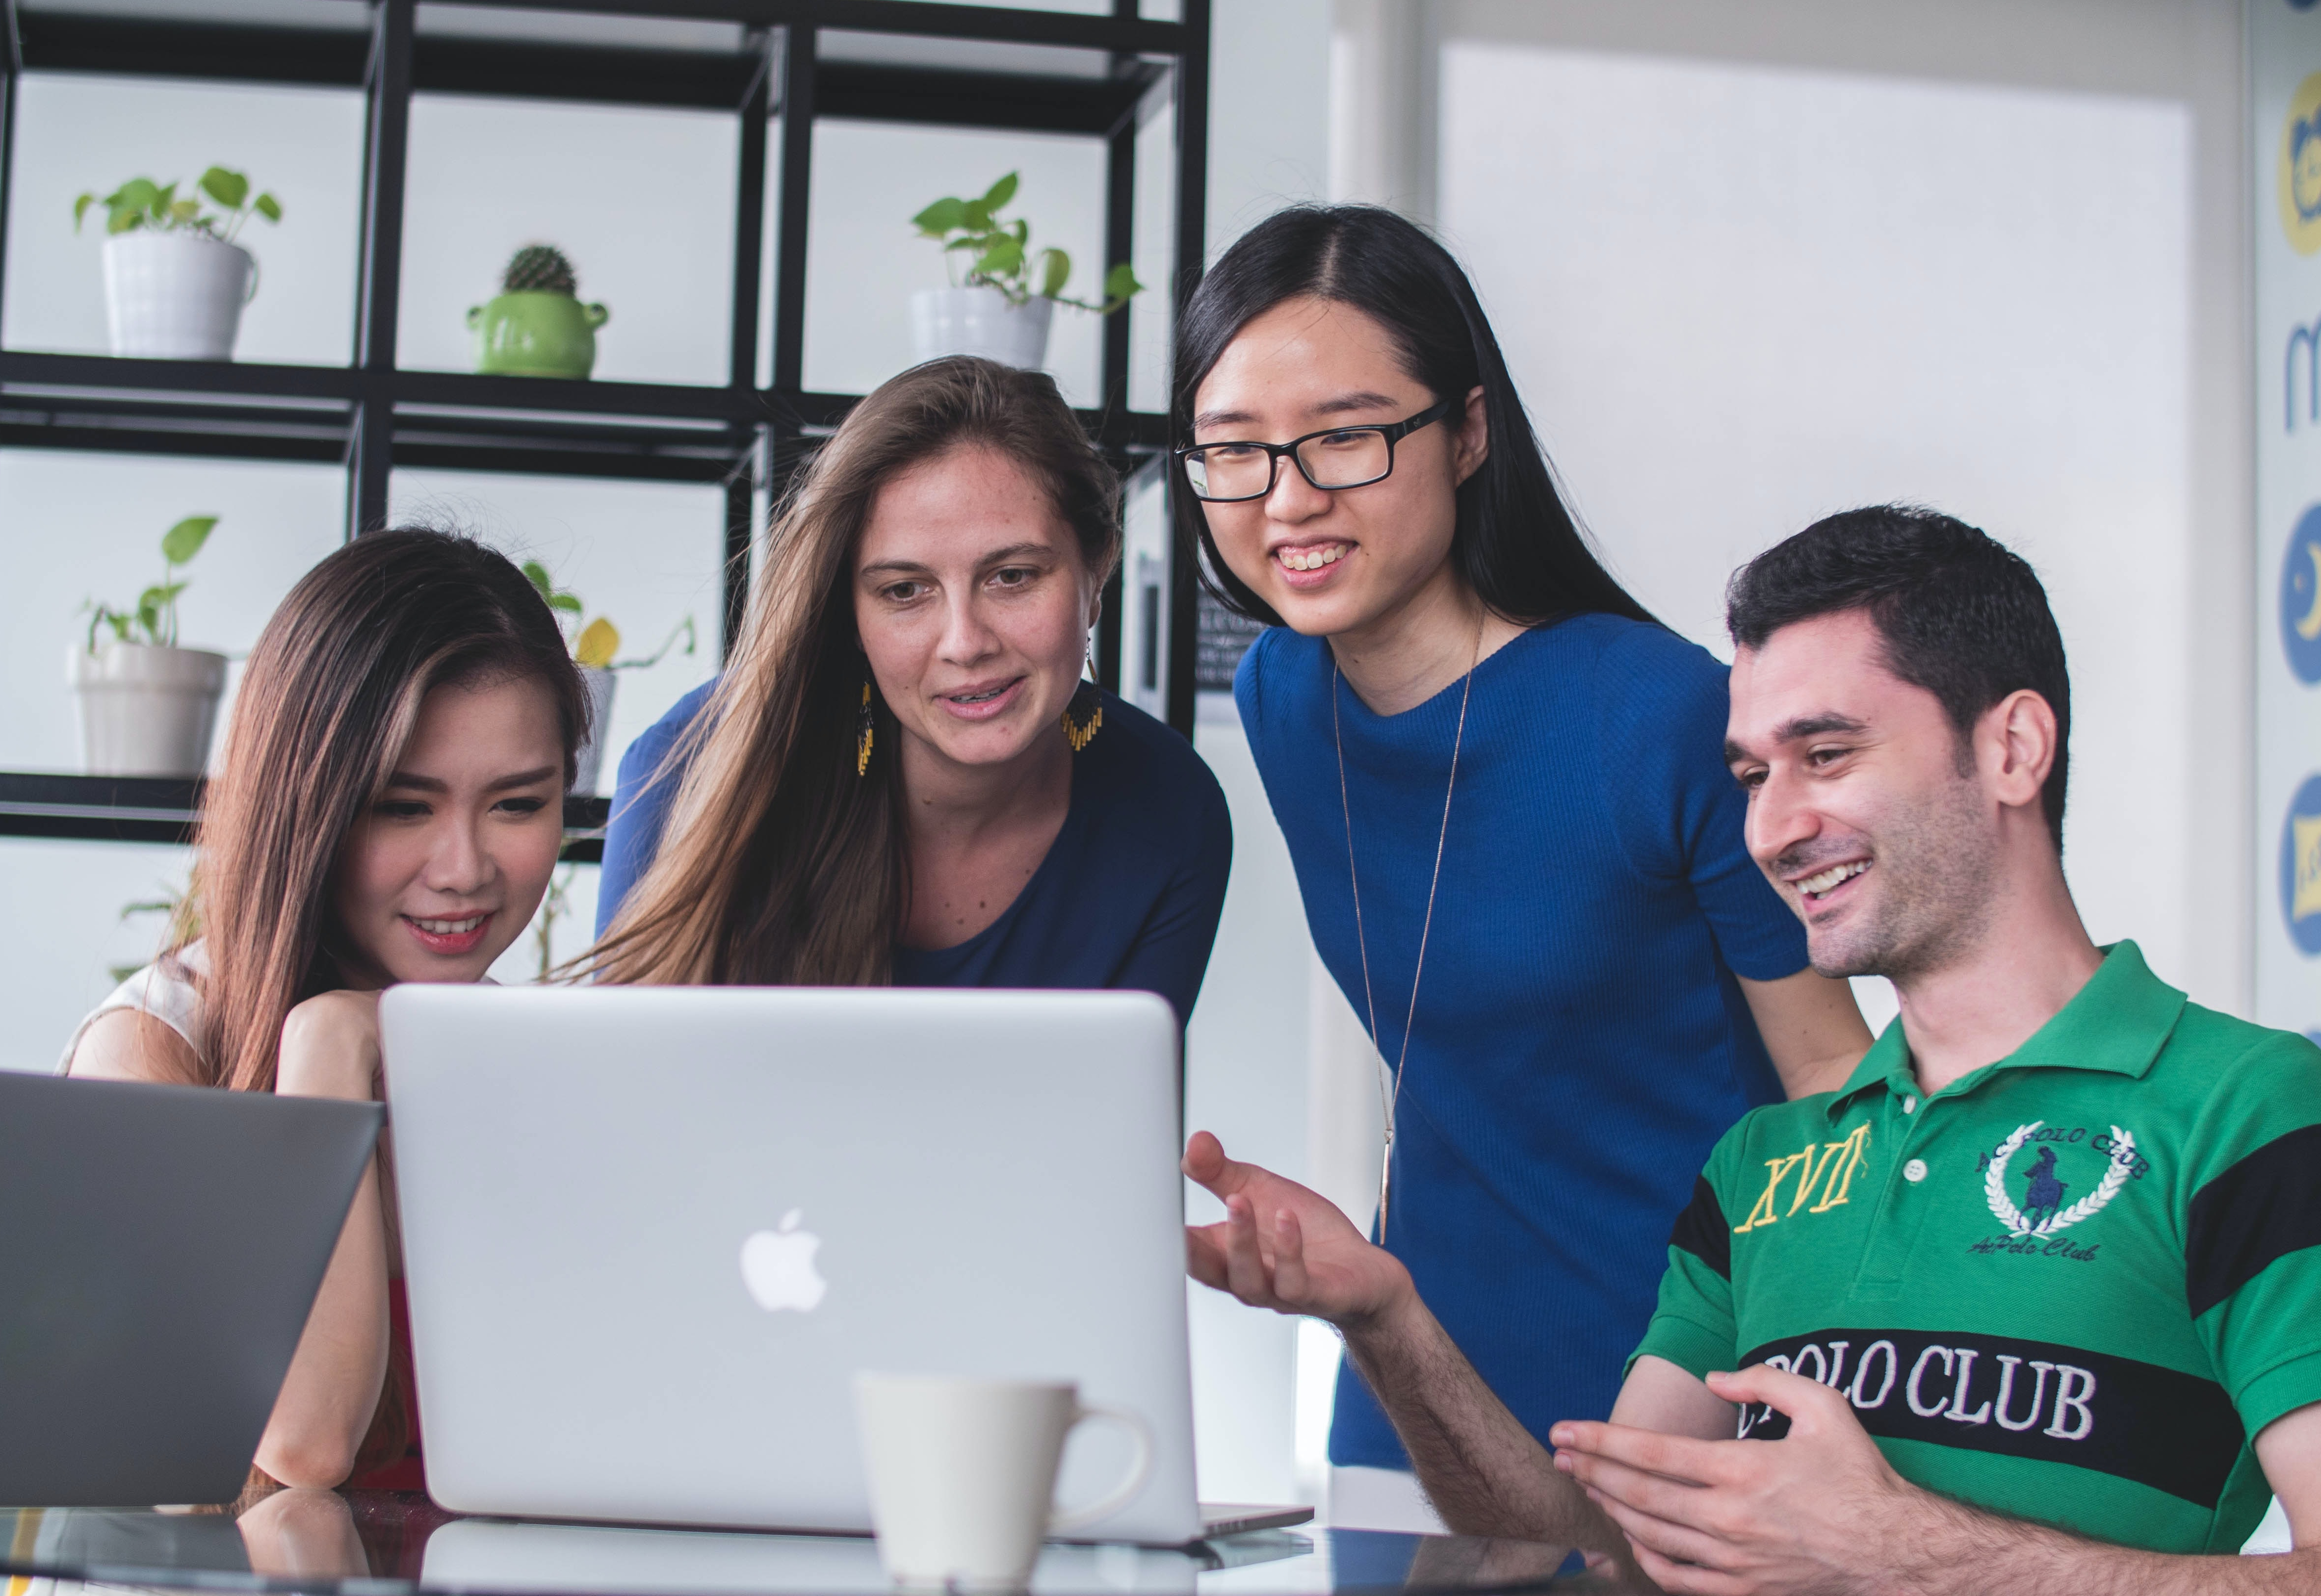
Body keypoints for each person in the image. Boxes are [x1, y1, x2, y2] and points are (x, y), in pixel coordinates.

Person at [1184, 508, 2321, 1590]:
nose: (1771, 829)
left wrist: (1901, 1554)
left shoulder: (2246, 1109)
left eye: (1825, 753)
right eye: (1750, 776)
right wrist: (1386, 1317)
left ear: (2011, 748)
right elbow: (1608, 1555)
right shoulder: (1759, 1164)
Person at [1173, 203, 1871, 1515]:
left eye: (1345, 436)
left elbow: (1832, 1084)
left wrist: (1806, 1395)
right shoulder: (1281, 694)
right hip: (1415, 1390)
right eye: (1234, 450)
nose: (1287, 497)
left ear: (1468, 430)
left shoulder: (1656, 713)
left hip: (1683, 1394)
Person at [64, 529, 586, 1493]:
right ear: (306, 805)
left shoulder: (523, 1062)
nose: (463, 869)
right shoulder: (151, 1048)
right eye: (402, 806)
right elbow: (303, 1443)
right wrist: (326, 1049)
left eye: (517, 804)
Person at [588, 357, 1230, 1023]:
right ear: (851, 614)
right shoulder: (693, 766)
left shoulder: (1172, 812)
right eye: (904, 591)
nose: (965, 642)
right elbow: (628, 1078)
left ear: (1096, 573)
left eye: (1012, 576)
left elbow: (1119, 1091)